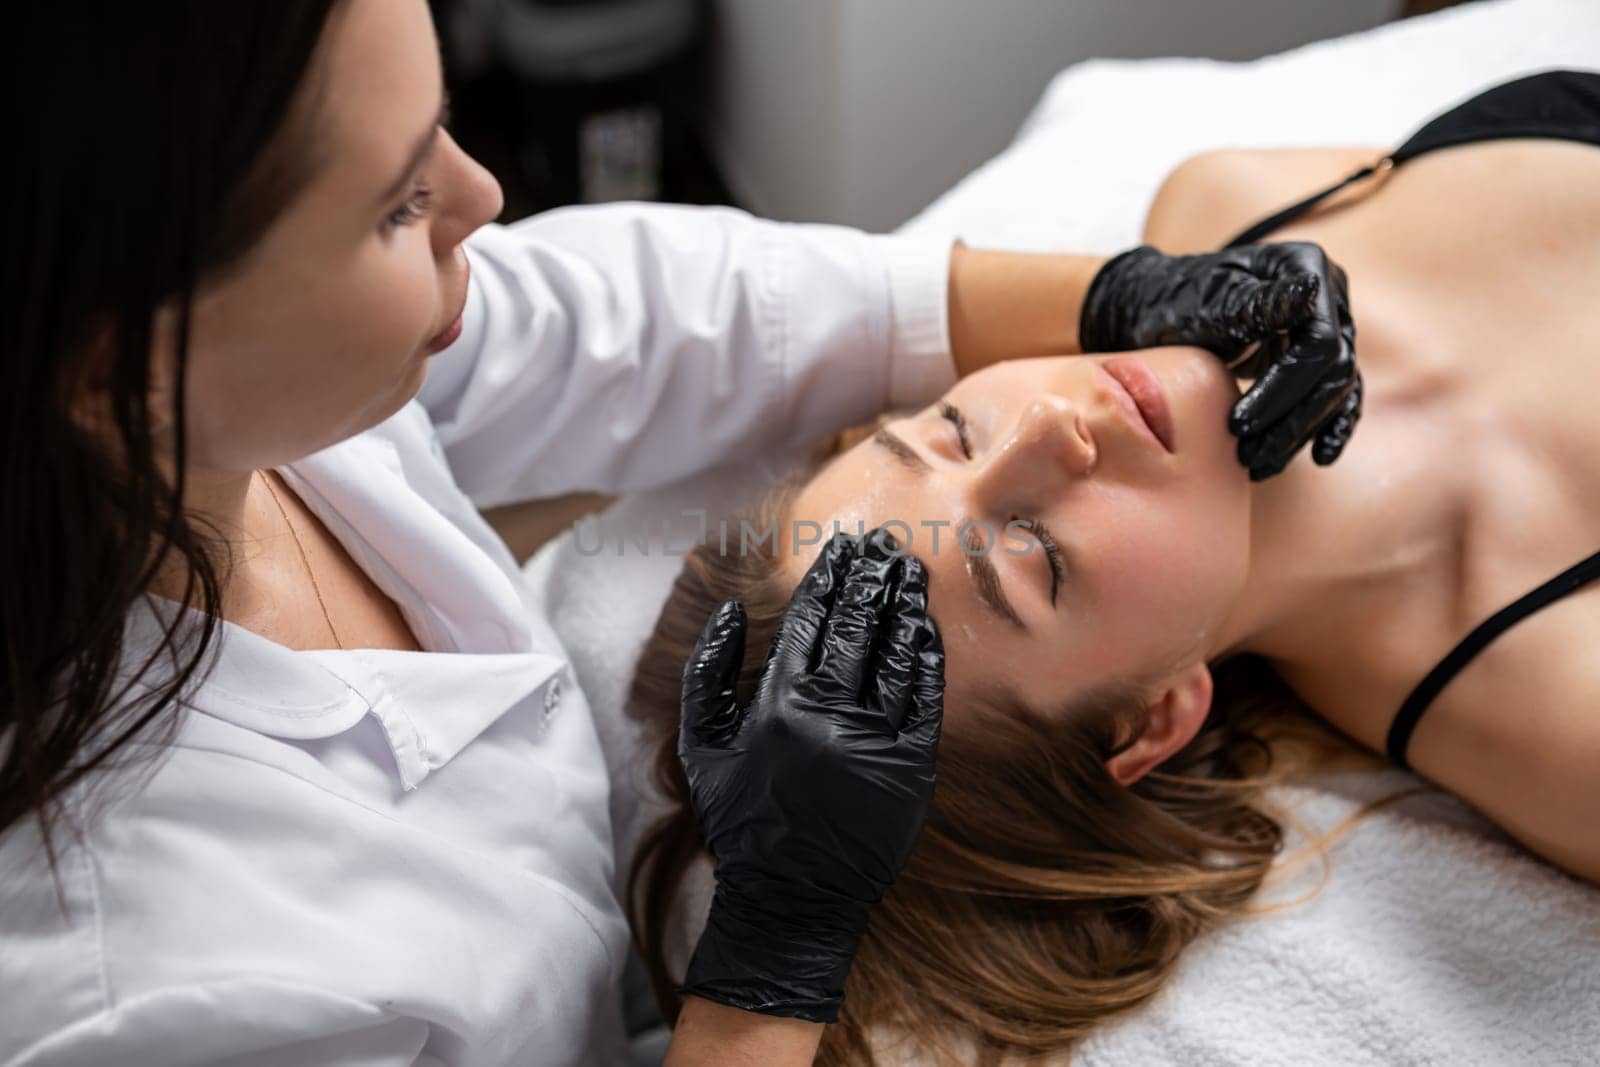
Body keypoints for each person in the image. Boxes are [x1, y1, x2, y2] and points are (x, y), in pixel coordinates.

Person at [0, 2, 1359, 1065]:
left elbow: (626, 316)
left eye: (933, 424)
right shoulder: (146, 981)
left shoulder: (242, 401)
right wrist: (775, 952)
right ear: (116, 362)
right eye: (397, 206)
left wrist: (1117, 291)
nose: (486, 198)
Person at [627, 70, 1600, 1064]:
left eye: (954, 430)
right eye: (1037, 554)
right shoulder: (1569, 723)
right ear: (1151, 720)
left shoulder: (1217, 206)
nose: (1049, 424)